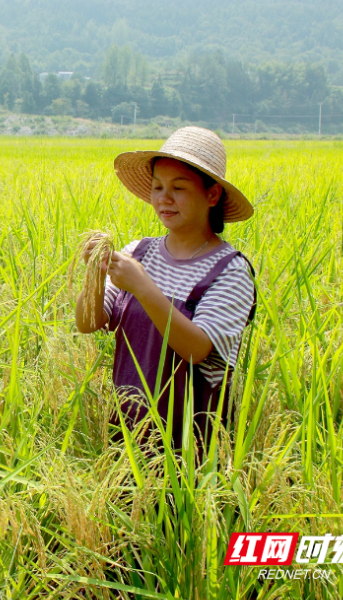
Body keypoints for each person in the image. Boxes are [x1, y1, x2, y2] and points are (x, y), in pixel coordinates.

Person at [75, 126, 256, 453]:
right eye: (158, 187)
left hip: (191, 441)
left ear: (212, 195)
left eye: (179, 187)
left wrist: (143, 287)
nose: (164, 198)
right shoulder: (137, 252)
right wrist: (93, 275)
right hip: (128, 431)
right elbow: (89, 323)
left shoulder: (230, 270)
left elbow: (196, 349)